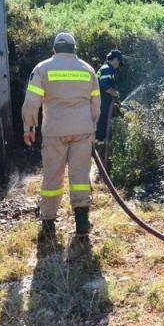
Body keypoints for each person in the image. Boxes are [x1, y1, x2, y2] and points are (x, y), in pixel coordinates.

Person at [21, 32, 101, 238]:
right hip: (83, 131)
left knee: (52, 177)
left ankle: (48, 224)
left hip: (54, 132)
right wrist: (91, 129)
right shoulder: (88, 70)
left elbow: (31, 102)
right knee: (81, 176)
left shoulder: (42, 68)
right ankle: (82, 222)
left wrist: (29, 128)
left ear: (54, 49)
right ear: (74, 49)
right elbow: (96, 106)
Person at [95, 49, 123, 159]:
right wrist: (115, 94)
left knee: (101, 131)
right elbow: (104, 86)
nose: (119, 65)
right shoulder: (108, 69)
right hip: (103, 106)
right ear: (115, 59)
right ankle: (102, 158)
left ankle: (100, 157)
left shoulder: (104, 68)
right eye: (119, 62)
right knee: (102, 133)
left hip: (100, 105)